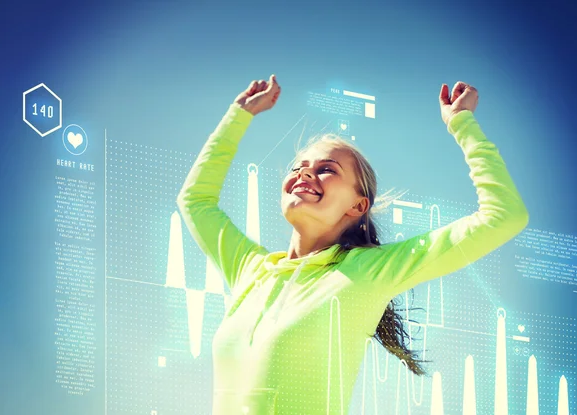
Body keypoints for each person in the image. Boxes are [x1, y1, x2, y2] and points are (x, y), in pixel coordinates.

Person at [176, 74, 529, 414]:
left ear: (358, 206)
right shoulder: (250, 269)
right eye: (298, 166)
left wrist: (462, 123)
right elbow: (195, 201)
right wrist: (238, 116)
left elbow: (504, 215)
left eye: (327, 169)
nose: (304, 173)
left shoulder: (369, 271)